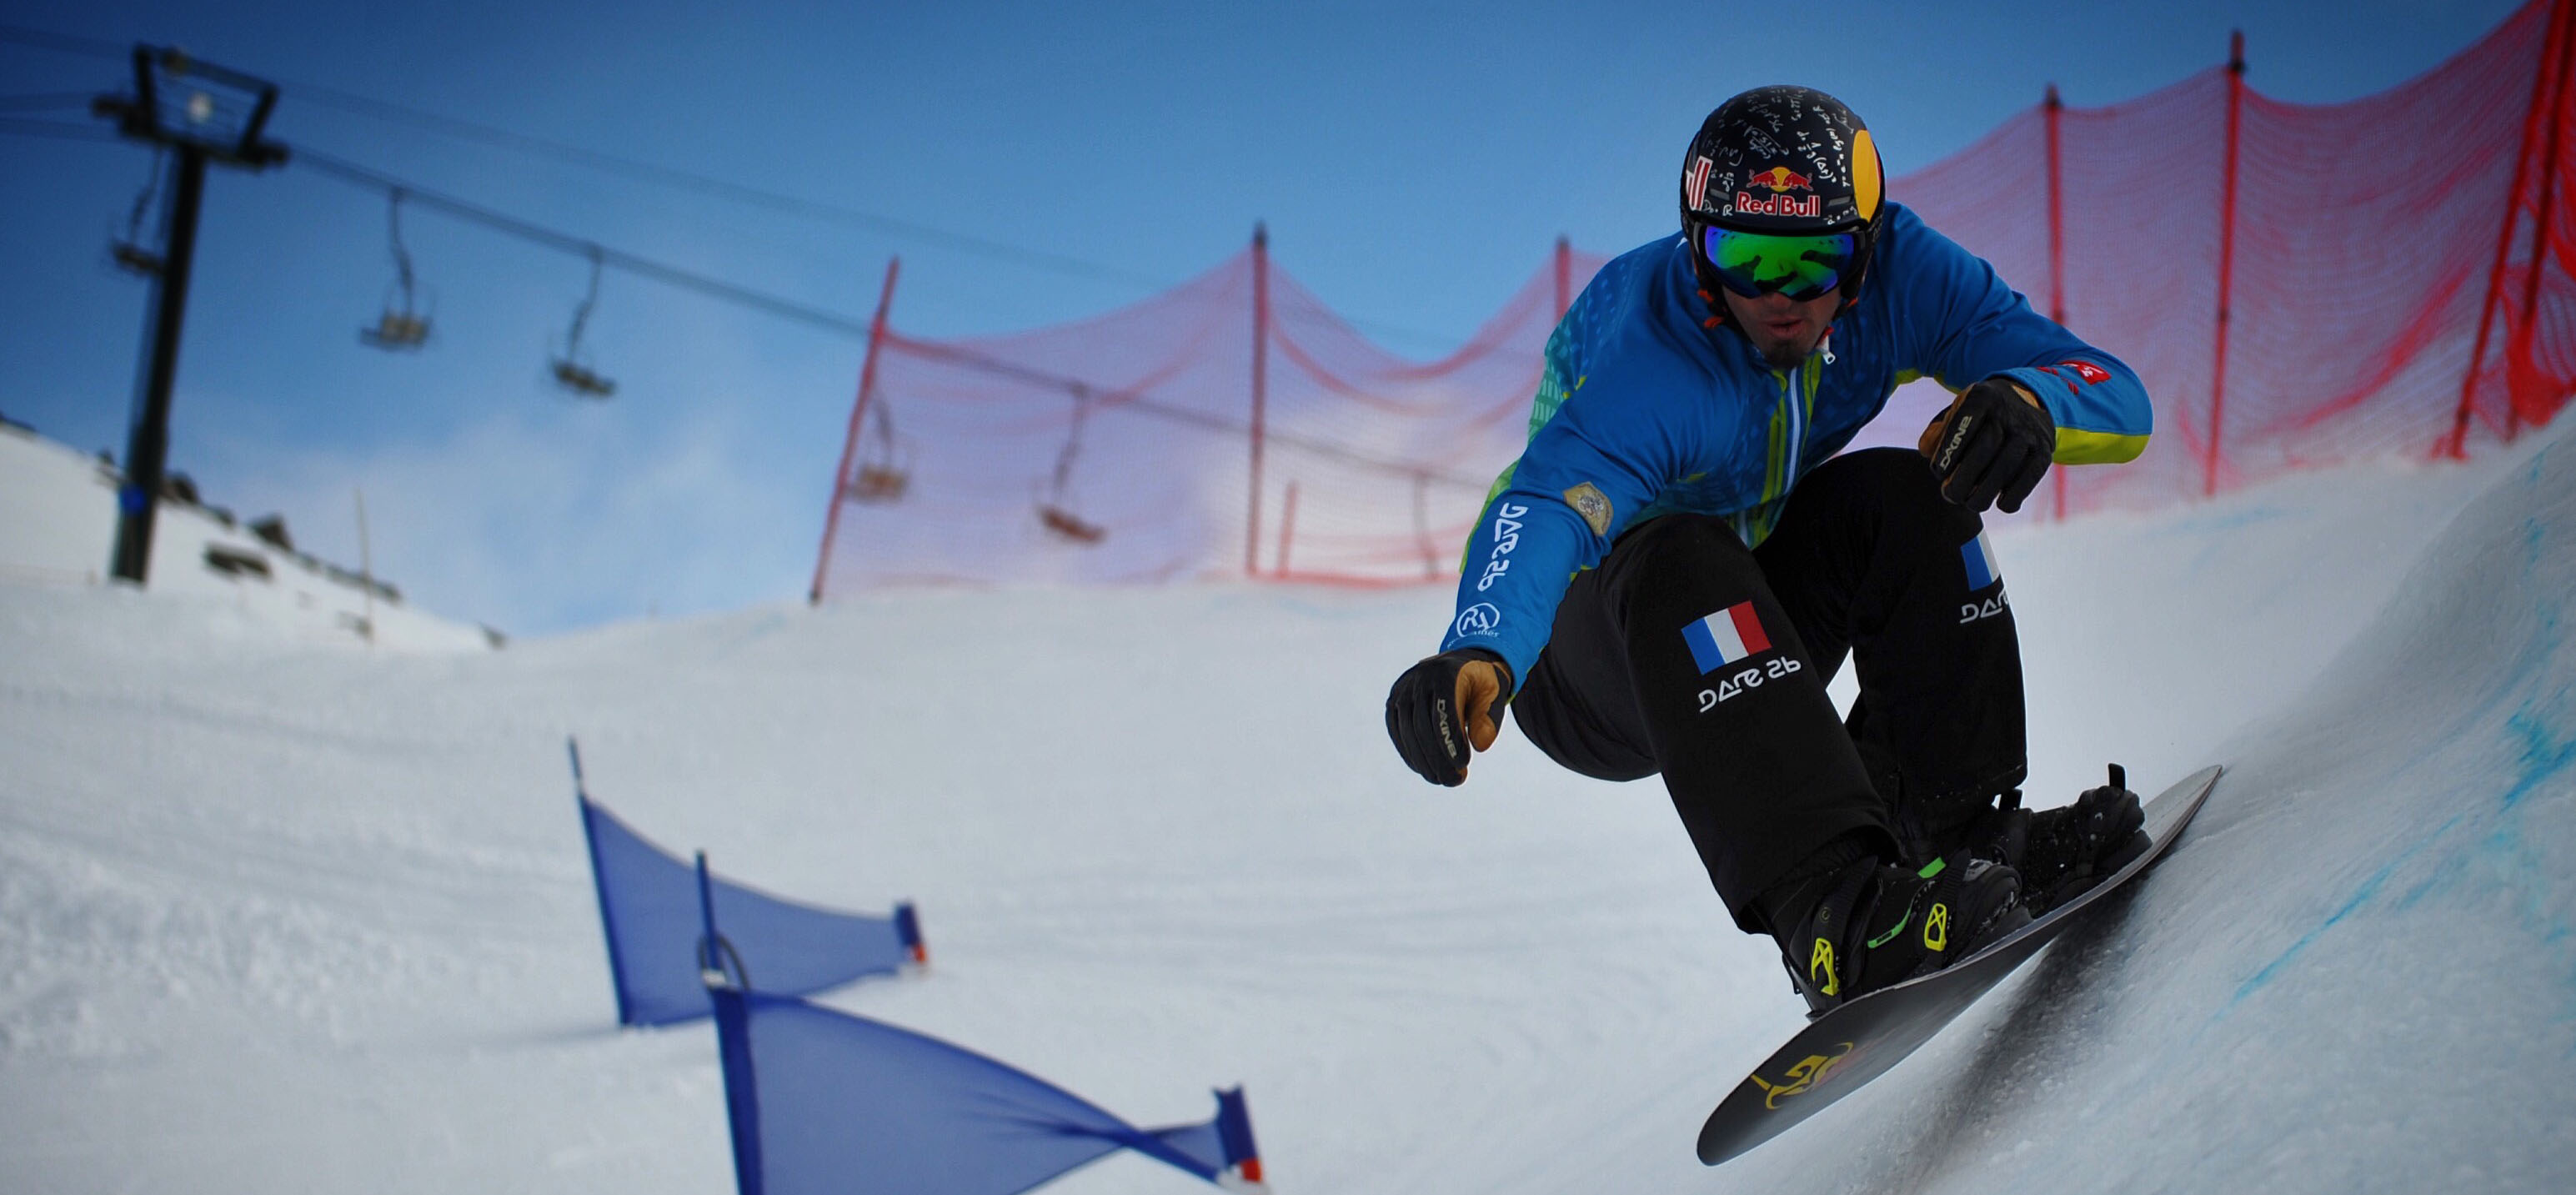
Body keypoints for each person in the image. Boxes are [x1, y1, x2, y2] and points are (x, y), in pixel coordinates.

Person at [1384, 85, 2156, 1015]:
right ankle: (1832, 921)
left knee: (1911, 495)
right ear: (1697, 250)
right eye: (1742, 260)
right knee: (1676, 548)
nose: (1778, 299)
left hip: (1745, 591)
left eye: (1812, 263)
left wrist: (2037, 402)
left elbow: (2112, 390)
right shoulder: (1656, 356)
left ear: (1864, 252)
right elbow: (1547, 503)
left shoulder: (1907, 277)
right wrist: (1482, 646)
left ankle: (1961, 839)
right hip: (1581, 652)